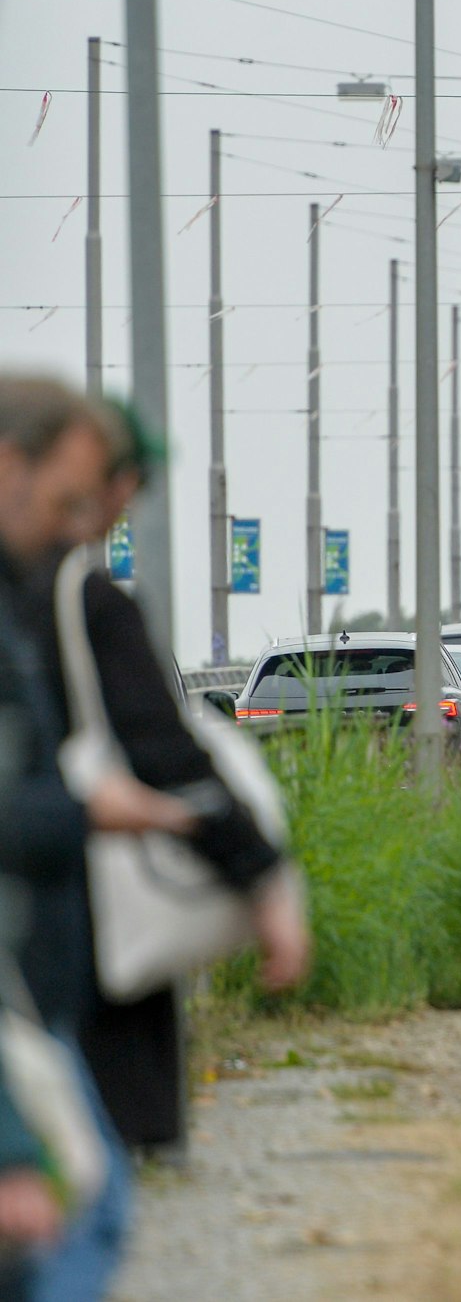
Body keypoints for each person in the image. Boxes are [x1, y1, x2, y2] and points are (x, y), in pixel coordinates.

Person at [0, 375, 202, 1302]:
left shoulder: (28, 601)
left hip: (35, 993)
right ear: (11, 467)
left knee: (96, 1205)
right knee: (89, 1211)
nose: (86, 526)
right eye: (67, 501)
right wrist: (92, 812)